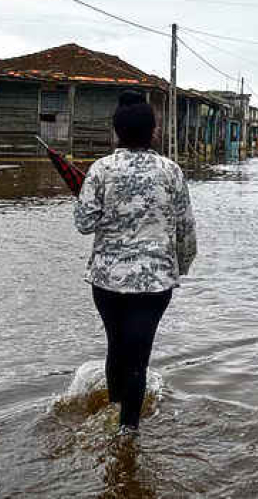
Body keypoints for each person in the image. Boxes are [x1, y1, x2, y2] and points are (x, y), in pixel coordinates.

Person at [74, 91, 197, 433]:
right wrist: (180, 268)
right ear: (153, 132)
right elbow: (186, 229)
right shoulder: (171, 171)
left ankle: (112, 419)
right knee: (138, 357)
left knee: (116, 347)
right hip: (155, 282)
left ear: (116, 132)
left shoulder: (100, 170)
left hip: (107, 280)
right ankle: (128, 433)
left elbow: (83, 224)